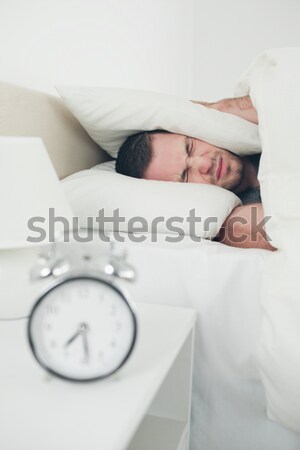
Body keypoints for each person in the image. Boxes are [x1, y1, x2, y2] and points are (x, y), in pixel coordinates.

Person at [116, 96, 275, 251]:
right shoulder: (235, 223)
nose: (205, 164)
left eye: (190, 147)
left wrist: (216, 110)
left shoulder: (258, 124)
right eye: (185, 176)